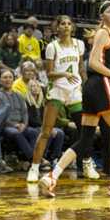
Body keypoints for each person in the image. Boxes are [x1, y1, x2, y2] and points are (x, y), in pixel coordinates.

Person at [40, 2, 110, 198]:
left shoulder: (105, 34)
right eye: (109, 11)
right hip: (100, 85)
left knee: (85, 140)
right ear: (102, 16)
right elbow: (92, 63)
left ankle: (52, 176)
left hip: (92, 87)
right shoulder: (103, 33)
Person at [26, 16, 88, 184]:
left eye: (69, 23)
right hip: (57, 90)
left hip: (75, 91)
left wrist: (86, 85)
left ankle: (85, 165)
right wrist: (64, 74)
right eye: (63, 23)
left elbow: (81, 67)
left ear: (72, 27)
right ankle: (34, 168)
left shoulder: (79, 44)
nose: (66, 26)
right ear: (57, 27)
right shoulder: (52, 47)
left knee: (84, 132)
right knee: (46, 132)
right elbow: (49, 74)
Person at [0, 69, 40, 164]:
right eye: (5, 77)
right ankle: (34, 159)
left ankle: (27, 159)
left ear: (13, 80)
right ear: (0, 80)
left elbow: (25, 112)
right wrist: (15, 125)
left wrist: (24, 124)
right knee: (16, 133)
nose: (8, 80)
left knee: (34, 132)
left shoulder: (19, 95)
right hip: (6, 126)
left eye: (10, 77)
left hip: (21, 125)